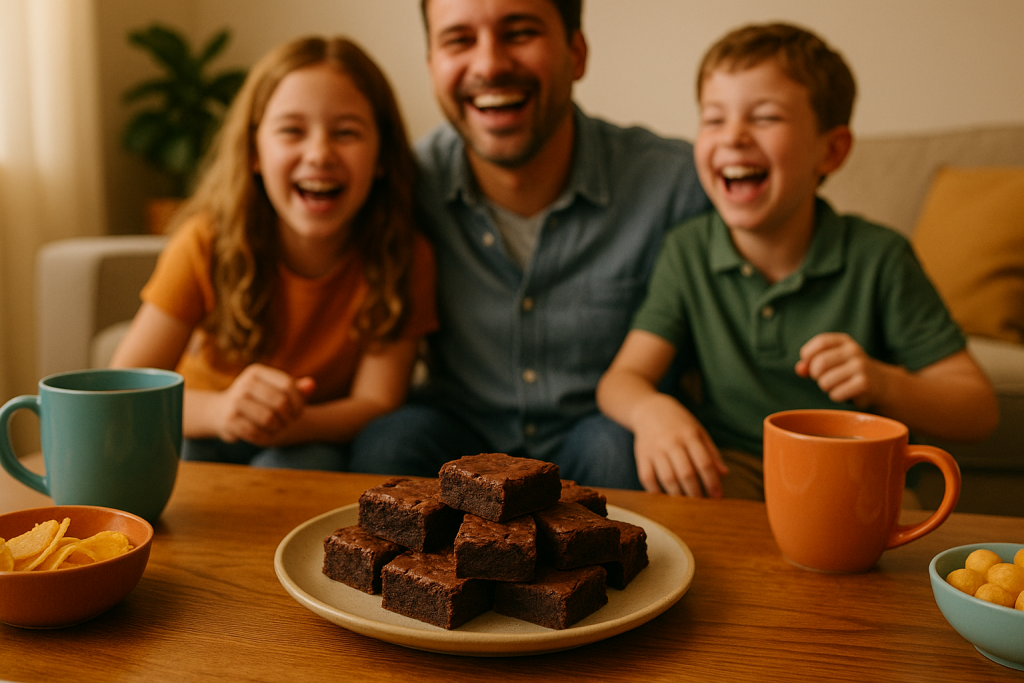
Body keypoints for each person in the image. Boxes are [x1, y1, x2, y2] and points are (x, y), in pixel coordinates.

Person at [597, 22, 999, 500]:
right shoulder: (689, 250)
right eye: (714, 118)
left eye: (764, 117)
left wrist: (884, 382)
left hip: (857, 477)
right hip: (733, 472)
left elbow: (978, 410)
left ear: (830, 151)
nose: (735, 137)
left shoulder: (880, 257)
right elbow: (622, 380)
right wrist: (651, 411)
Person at [348, 0, 709, 487]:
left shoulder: (677, 185)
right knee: (387, 443)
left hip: (602, 436)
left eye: (519, 33)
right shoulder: (401, 187)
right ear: (432, 64)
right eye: (459, 40)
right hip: (456, 429)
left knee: (614, 449)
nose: (490, 64)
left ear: (576, 53)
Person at [110, 36, 438, 470]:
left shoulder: (404, 253)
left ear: (382, 156)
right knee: (192, 456)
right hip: (204, 428)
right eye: (291, 131)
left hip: (312, 434)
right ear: (254, 153)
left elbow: (376, 400)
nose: (319, 154)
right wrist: (223, 411)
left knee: (302, 461)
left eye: (346, 132)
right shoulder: (204, 242)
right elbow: (122, 390)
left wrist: (294, 424)